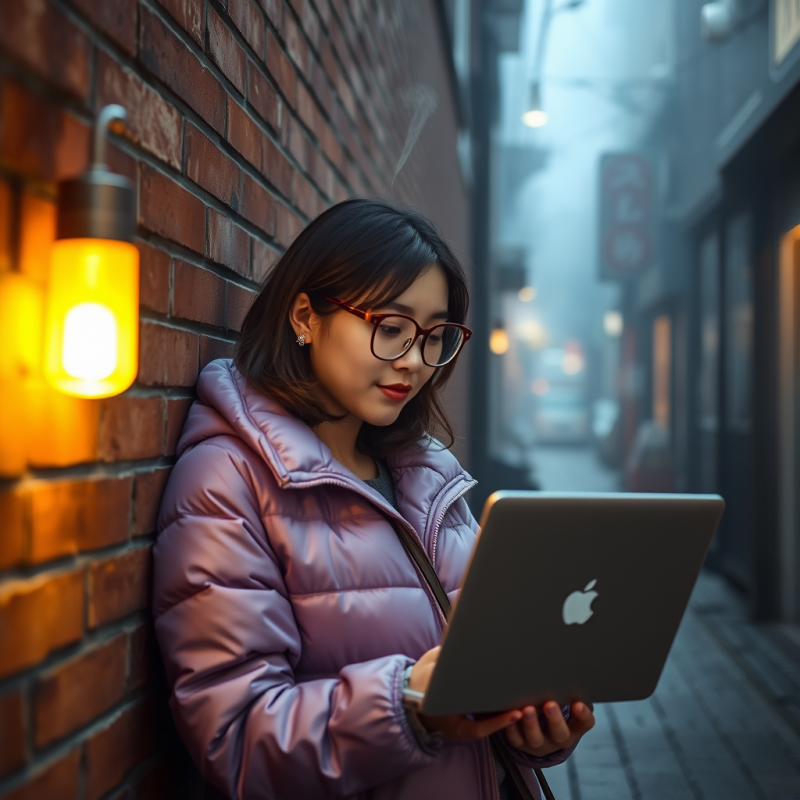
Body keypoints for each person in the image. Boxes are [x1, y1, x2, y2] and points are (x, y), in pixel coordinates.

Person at [153, 198, 595, 800]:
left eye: (436, 336)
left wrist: (532, 727)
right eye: (391, 329)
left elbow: (484, 672)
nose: (414, 361)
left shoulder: (429, 477)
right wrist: (409, 707)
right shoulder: (227, 481)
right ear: (306, 316)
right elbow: (236, 737)